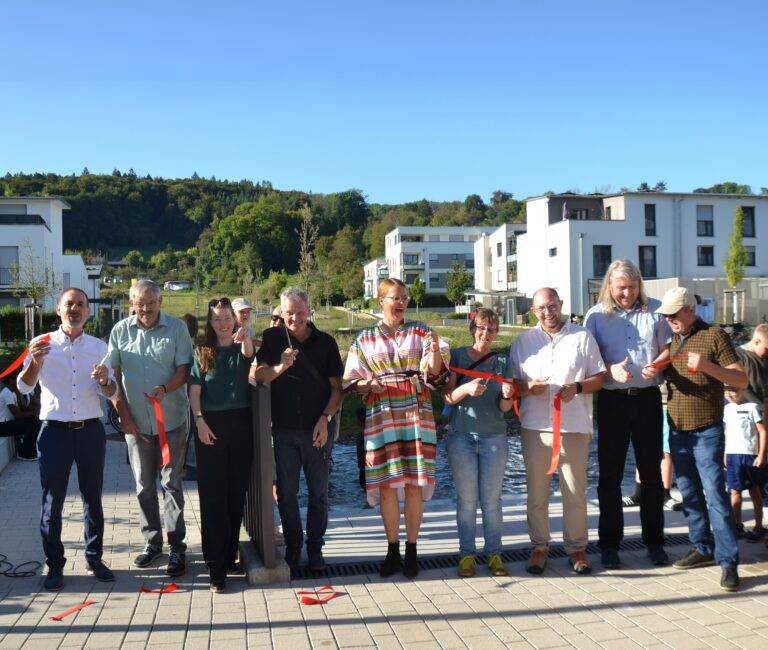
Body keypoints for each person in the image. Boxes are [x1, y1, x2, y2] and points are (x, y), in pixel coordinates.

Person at [344, 278, 449, 579]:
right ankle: (392, 550)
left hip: (417, 413)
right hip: (381, 414)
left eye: (404, 296)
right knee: (387, 484)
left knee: (415, 483)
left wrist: (436, 351)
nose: (401, 302)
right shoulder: (363, 338)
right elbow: (350, 381)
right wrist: (368, 384)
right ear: (380, 301)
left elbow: (438, 375)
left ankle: (413, 551)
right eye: (395, 297)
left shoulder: (422, 331)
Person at [17, 288, 118, 591]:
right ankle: (55, 566)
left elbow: (111, 393)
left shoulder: (100, 347)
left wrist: (104, 381)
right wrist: (34, 363)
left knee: (93, 498)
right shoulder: (41, 344)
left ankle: (94, 558)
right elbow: (23, 388)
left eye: (80, 305)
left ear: (88, 312)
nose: (75, 309)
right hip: (53, 433)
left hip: (89, 431)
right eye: (69, 304)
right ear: (58, 310)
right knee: (52, 501)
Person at [656, 286, 748, 592]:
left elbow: (740, 380)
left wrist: (707, 366)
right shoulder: (673, 339)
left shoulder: (716, 336)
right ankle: (702, 548)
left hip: (707, 429)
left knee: (715, 496)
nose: (669, 320)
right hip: (678, 429)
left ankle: (728, 562)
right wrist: (653, 369)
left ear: (689, 310)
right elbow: (664, 369)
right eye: (666, 316)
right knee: (690, 495)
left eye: (673, 315)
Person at [510, 287, 605, 575]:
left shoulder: (582, 336)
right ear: (533, 311)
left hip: (574, 426)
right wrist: (527, 388)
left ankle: (576, 548)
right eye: (540, 308)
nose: (547, 312)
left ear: (561, 304)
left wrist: (577, 387)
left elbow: (599, 378)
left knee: (575, 492)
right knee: (536, 494)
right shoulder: (523, 342)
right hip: (536, 427)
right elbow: (512, 385)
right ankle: (539, 547)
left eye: (551, 306)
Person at [584, 260, 671, 568]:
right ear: (610, 286)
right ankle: (609, 545)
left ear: (640, 286)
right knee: (609, 475)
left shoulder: (658, 310)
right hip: (611, 400)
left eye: (632, 287)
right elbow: (588, 361)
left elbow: (670, 349)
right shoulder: (595, 316)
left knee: (651, 474)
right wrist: (609, 369)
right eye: (621, 288)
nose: (627, 293)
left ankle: (655, 541)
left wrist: (657, 364)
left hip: (647, 399)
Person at [250, 287, 343, 571]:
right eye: (289, 313)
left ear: (309, 311)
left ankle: (315, 549)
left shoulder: (325, 342)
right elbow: (259, 375)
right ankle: (293, 546)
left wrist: (325, 419)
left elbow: (338, 390)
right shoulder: (272, 338)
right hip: (284, 430)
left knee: (318, 493)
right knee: (287, 493)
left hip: (318, 429)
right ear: (281, 312)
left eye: (300, 312)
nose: (295, 318)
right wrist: (280, 366)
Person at [109, 279, 194, 577]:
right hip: (136, 425)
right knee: (144, 486)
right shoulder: (120, 331)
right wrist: (123, 416)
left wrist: (164, 388)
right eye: (139, 303)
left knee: (171, 484)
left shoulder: (176, 329)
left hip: (171, 421)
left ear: (160, 302)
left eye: (150, 303)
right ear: (131, 302)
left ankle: (177, 548)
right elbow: (112, 376)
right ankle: (152, 543)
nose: (145, 309)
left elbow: (185, 370)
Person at [442, 308, 514, 578]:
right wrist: (466, 389)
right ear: (473, 328)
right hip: (461, 437)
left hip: (494, 437)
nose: (486, 334)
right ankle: (467, 555)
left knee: (492, 501)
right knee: (467, 501)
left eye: (492, 329)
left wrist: (508, 394)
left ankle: (494, 553)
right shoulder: (458, 356)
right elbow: (447, 397)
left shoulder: (502, 362)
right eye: (481, 328)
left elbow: (505, 408)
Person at [189, 298, 254, 593]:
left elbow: (251, 360)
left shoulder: (244, 346)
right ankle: (216, 568)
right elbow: (195, 391)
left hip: (240, 424)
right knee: (213, 497)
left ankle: (229, 557)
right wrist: (199, 422)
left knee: (235, 493)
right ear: (210, 322)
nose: (223, 323)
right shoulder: (203, 352)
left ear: (235, 319)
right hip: (210, 425)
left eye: (227, 317)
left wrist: (247, 337)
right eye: (216, 319)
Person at [723, 385, 766, 540]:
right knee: (735, 490)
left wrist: (761, 454)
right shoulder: (727, 409)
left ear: (742, 390)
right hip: (733, 455)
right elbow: (727, 431)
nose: (729, 394)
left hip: (750, 454)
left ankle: (759, 526)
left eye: (733, 390)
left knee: (755, 491)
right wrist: (725, 453)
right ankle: (737, 524)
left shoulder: (753, 407)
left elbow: (762, 431)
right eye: (726, 390)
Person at [735, 323, 768, 414]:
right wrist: (761, 407)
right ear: (757, 342)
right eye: (767, 349)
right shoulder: (738, 356)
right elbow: (742, 387)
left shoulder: (765, 357)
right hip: (749, 411)